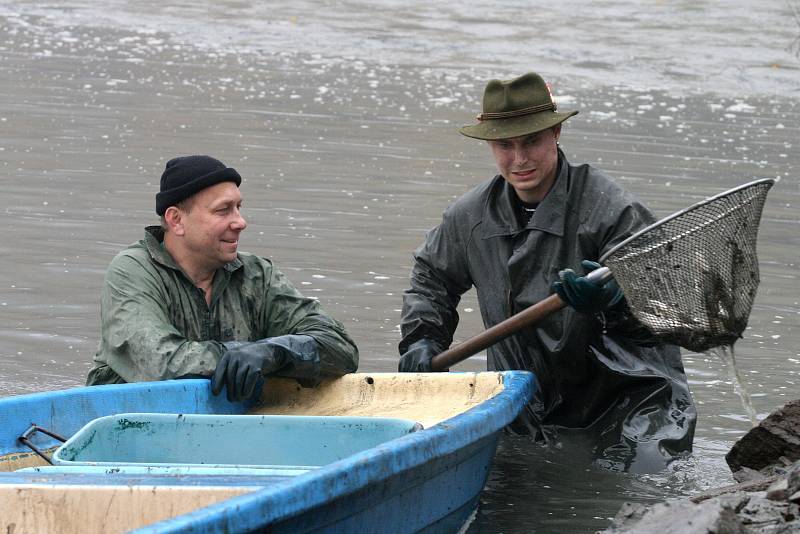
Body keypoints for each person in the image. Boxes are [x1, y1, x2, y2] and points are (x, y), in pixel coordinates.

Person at [398, 72, 696, 472]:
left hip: (630, 400)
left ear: (555, 132)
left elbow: (671, 312)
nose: (519, 159)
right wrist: (423, 341)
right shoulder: (469, 218)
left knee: (636, 487)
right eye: (505, 145)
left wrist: (615, 302)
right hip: (523, 403)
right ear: (490, 144)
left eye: (531, 141)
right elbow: (430, 281)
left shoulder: (612, 211)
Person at [87, 155, 359, 401]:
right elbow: (160, 363)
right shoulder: (132, 270)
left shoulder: (257, 275)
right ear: (176, 220)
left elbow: (340, 348)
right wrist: (239, 355)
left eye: (239, 207)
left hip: (226, 429)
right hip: (126, 424)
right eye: (223, 210)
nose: (240, 222)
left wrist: (273, 352)